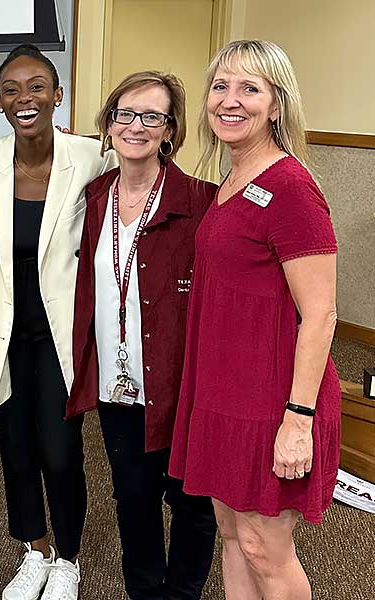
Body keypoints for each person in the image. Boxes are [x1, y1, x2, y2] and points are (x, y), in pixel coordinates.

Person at [168, 40, 340, 600]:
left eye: (250, 88)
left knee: (266, 548)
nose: (230, 100)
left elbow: (321, 315)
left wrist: (298, 419)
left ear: (276, 104)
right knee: (232, 535)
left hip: (276, 400)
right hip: (224, 392)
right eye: (221, 86)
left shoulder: (292, 188)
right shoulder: (234, 180)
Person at [0, 44, 115, 600]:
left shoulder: (93, 157)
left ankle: (68, 557)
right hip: (4, 329)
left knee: (62, 448)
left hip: (63, 333)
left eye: (36, 86)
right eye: (11, 89)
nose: (25, 98)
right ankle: (35, 550)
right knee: (14, 445)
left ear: (58, 95)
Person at [66, 72, 218, 600]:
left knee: (191, 501)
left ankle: (183, 593)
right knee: (132, 498)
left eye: (152, 116)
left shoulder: (201, 202)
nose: (136, 126)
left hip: (181, 386)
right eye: (125, 114)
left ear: (169, 130)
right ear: (108, 125)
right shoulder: (93, 196)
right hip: (117, 383)